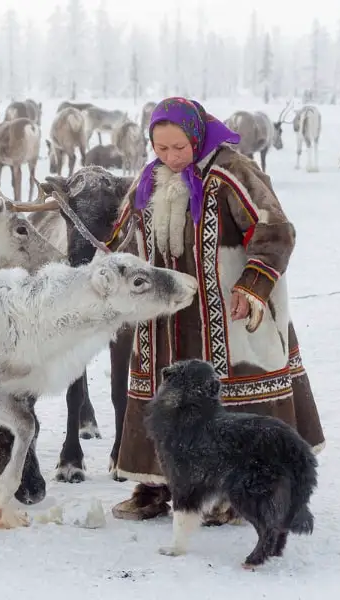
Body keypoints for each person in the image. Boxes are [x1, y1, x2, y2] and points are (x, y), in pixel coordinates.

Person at [110, 97, 326, 523]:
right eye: (160, 148)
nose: (170, 157)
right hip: (165, 320)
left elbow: (274, 228)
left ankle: (235, 492)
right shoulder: (149, 179)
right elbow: (122, 239)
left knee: (229, 401)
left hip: (229, 314)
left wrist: (253, 284)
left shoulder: (232, 171)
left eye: (179, 147)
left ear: (196, 135)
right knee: (163, 398)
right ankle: (153, 483)